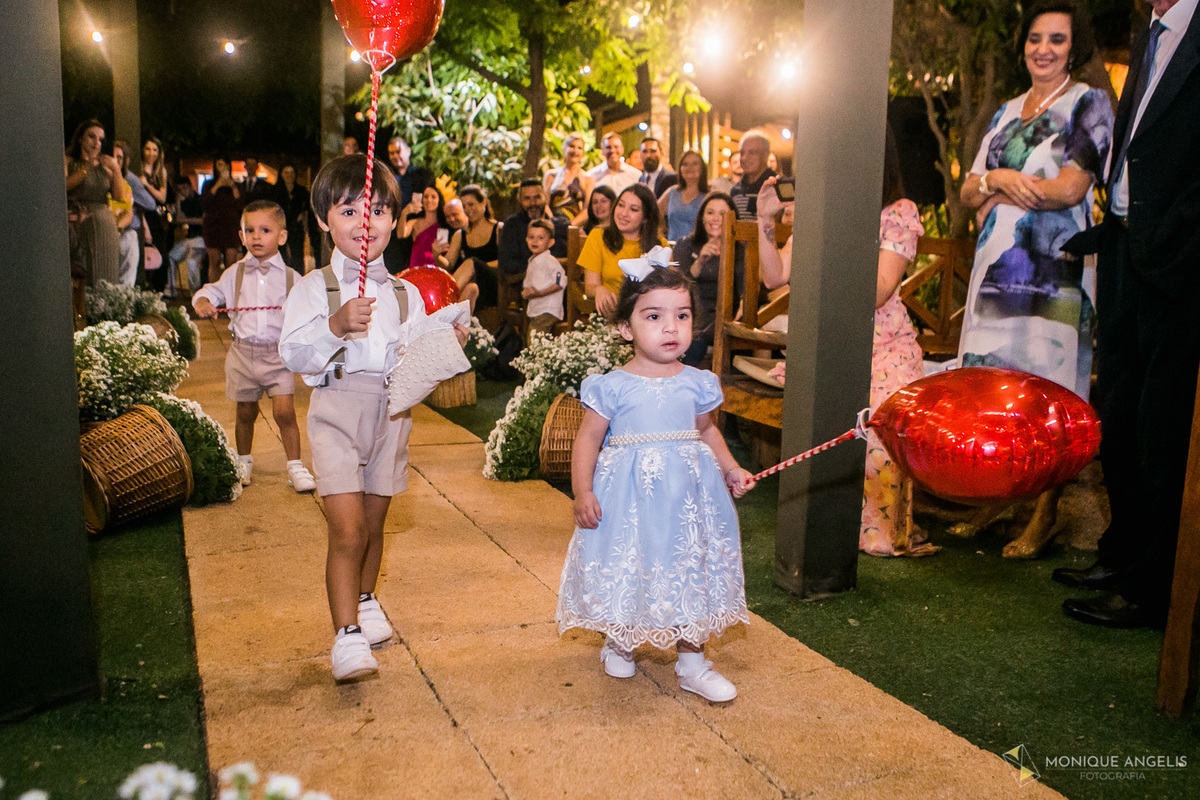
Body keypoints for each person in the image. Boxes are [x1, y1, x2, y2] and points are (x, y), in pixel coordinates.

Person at [279, 155, 468, 681]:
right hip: (337, 411)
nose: (366, 222)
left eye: (379, 210)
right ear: (323, 220)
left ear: (395, 219)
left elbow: (415, 362)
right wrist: (335, 327)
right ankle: (345, 636)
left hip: (392, 414)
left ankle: (365, 600)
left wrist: (445, 343)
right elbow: (293, 354)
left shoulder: (404, 293)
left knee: (375, 522)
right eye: (349, 210)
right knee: (347, 529)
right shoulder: (313, 288)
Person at [1055, 0, 1200, 629]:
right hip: (1121, 251)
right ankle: (1122, 552)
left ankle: (1153, 586)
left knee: (1160, 426)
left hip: (1177, 262)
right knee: (1117, 412)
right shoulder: (1152, 32)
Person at [955, 0, 1114, 558]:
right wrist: (994, 179)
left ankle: (1044, 513)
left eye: (1058, 40)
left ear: (1075, 48)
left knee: (1045, 393)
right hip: (994, 269)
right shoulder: (1003, 112)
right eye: (1035, 38)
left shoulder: (1089, 103)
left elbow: (1072, 188)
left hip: (1055, 270)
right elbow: (966, 190)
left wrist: (998, 188)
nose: (1043, 49)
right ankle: (994, 499)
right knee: (992, 386)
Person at [556, 265, 755, 702]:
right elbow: (588, 438)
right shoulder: (612, 386)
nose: (671, 327)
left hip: (687, 502)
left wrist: (730, 468)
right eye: (654, 316)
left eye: (682, 316)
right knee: (635, 562)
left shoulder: (698, 382)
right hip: (631, 501)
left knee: (686, 570)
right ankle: (621, 640)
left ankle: (692, 663)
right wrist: (582, 491)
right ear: (625, 329)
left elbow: (706, 431)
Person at [759, 128, 934, 557]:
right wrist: (765, 221)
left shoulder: (897, 211)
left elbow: (878, 289)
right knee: (819, 413)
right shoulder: (820, 213)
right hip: (827, 346)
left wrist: (833, 231)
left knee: (880, 423)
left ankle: (874, 532)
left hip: (885, 347)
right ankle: (826, 519)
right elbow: (774, 276)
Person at [191, 200, 316, 493]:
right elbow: (210, 291)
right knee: (245, 411)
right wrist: (204, 302)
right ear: (241, 235)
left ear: (281, 237)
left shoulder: (292, 278)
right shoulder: (234, 273)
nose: (256, 237)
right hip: (243, 354)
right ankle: (244, 460)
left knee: (285, 412)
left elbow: (308, 307)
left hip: (277, 356)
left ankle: (295, 466)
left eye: (265, 230)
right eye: (250, 230)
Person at [672, 192, 739, 366]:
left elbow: (744, 289)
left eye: (723, 214)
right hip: (693, 313)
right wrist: (700, 261)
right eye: (710, 213)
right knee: (696, 337)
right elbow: (679, 285)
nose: (716, 218)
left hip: (727, 315)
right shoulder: (685, 245)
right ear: (702, 217)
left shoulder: (740, 249)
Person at [578, 183, 665, 317]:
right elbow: (590, 286)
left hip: (649, 315)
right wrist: (599, 290)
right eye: (621, 205)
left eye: (633, 209)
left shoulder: (660, 246)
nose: (624, 213)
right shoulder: (598, 236)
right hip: (611, 313)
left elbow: (667, 289)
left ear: (646, 218)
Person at [64, 119, 126, 285]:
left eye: (100, 139)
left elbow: (119, 196)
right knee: (86, 271)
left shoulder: (105, 164)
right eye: (91, 137)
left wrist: (116, 168)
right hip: (80, 221)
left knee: (106, 275)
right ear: (80, 139)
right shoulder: (68, 161)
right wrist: (87, 167)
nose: (96, 142)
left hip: (105, 224)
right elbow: (64, 185)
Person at [441, 185, 500, 312]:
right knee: (470, 288)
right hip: (473, 285)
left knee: (472, 262)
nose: (467, 210)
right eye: (464, 206)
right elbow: (448, 265)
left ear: (483, 202)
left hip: (493, 284)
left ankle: (441, 302)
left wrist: (477, 267)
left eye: (471, 204)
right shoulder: (460, 234)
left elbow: (506, 262)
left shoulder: (499, 229)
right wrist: (436, 254)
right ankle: (456, 327)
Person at [383, 136, 435, 272]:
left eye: (398, 151)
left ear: (408, 151)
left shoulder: (422, 174)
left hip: (417, 231)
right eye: (391, 153)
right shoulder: (387, 177)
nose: (395, 156)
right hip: (393, 233)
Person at [498, 179, 569, 276]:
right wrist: (539, 266)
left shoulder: (561, 226)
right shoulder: (512, 225)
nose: (533, 203)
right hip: (525, 283)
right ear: (520, 200)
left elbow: (572, 260)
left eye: (537, 197)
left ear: (545, 197)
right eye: (527, 198)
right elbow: (507, 264)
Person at [112, 140, 159, 287]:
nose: (114, 161)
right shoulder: (103, 176)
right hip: (108, 232)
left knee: (126, 281)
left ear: (126, 161)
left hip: (127, 231)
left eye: (119, 157)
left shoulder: (130, 179)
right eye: (112, 156)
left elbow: (151, 204)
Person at [202, 157, 244, 284]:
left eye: (224, 165)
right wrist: (218, 185)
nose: (222, 168)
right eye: (219, 165)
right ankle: (213, 293)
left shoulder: (236, 185)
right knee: (213, 262)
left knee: (231, 263)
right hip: (213, 227)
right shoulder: (209, 185)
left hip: (231, 227)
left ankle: (230, 294)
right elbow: (204, 204)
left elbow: (241, 206)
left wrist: (233, 187)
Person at [521, 220, 565, 339]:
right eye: (531, 237)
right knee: (530, 336)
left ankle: (536, 357)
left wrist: (540, 293)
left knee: (536, 338)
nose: (535, 241)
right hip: (536, 308)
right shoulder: (532, 260)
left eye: (540, 238)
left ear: (550, 242)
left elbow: (560, 283)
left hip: (547, 309)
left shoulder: (550, 261)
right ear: (526, 239)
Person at [140, 137, 173, 293]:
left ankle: (158, 292)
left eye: (155, 150)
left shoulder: (160, 171)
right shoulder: (137, 168)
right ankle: (145, 290)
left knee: (162, 258)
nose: (151, 153)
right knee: (144, 256)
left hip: (158, 217)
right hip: (142, 214)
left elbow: (162, 197)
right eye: (148, 149)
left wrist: (146, 184)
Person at [543, 133, 595, 225]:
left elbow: (588, 209)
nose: (575, 150)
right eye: (572, 146)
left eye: (579, 148)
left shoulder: (588, 179)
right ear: (564, 148)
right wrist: (552, 221)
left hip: (576, 227)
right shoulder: (550, 175)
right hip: (552, 225)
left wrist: (571, 225)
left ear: (583, 153)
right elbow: (544, 204)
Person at [657, 151, 709, 242]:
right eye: (685, 164)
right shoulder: (671, 192)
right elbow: (654, 214)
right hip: (673, 248)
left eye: (695, 163)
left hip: (699, 250)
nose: (689, 167)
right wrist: (660, 236)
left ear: (702, 168)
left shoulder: (709, 195)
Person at [167, 175, 205, 297]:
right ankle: (171, 290)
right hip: (190, 237)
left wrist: (187, 220)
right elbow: (179, 218)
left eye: (184, 188)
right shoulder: (184, 202)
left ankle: (196, 294)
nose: (183, 191)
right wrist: (178, 200)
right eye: (179, 189)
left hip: (201, 237)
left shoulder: (200, 200)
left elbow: (203, 221)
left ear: (190, 186)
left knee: (192, 262)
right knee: (171, 257)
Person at [402, 185, 451, 269]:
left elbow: (443, 254)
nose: (429, 200)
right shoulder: (414, 222)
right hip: (415, 270)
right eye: (426, 196)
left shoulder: (443, 226)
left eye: (433, 197)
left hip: (434, 272)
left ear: (439, 200)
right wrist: (404, 213)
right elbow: (401, 234)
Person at [275, 164, 312, 273]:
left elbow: (308, 207)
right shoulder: (276, 191)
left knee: (297, 256)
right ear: (281, 174)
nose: (289, 175)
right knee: (281, 255)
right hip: (280, 227)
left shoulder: (301, 190)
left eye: (292, 172)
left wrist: (303, 216)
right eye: (286, 172)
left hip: (296, 228)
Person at [730, 131, 775, 220]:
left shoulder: (778, 186)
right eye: (742, 153)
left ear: (766, 154)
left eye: (751, 152)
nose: (744, 158)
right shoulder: (736, 190)